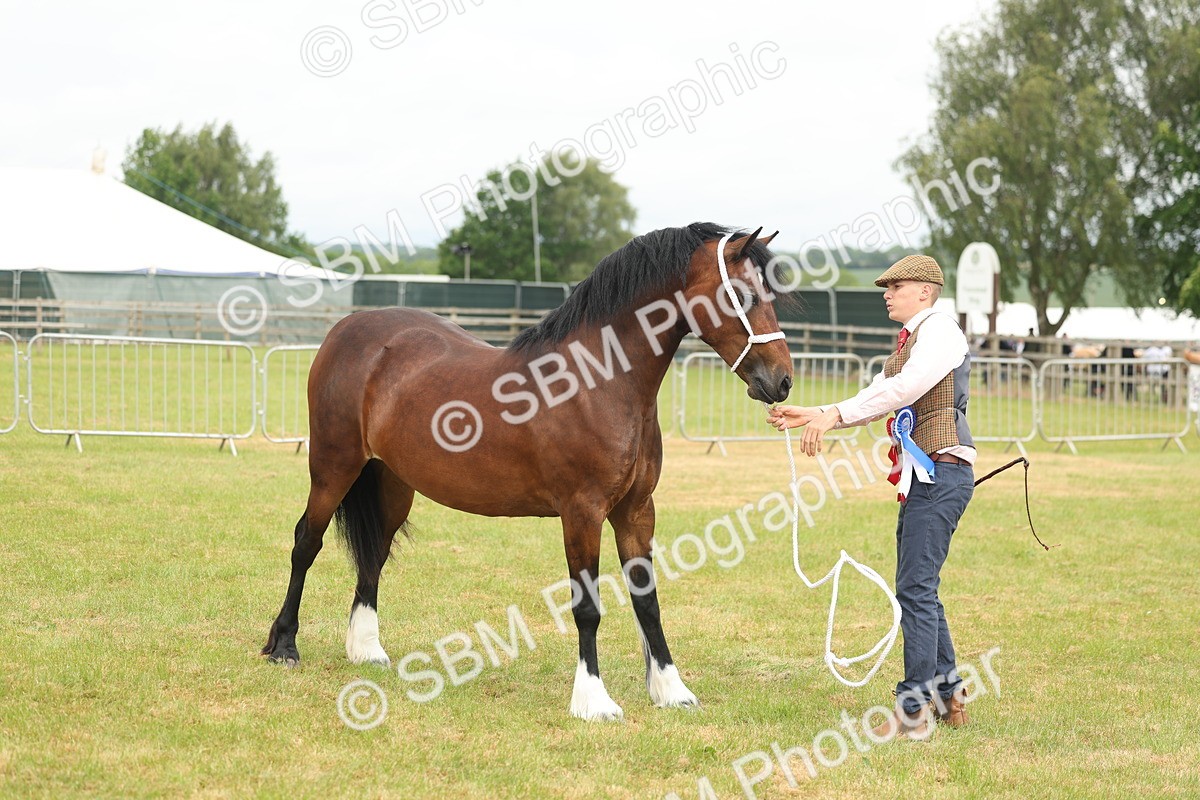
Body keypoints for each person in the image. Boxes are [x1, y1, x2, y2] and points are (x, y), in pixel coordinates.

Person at [767, 254, 975, 741]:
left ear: (924, 291)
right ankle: (950, 698)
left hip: (940, 474)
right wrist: (816, 411)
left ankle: (913, 712)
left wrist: (832, 417)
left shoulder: (940, 331)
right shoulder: (915, 338)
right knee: (920, 587)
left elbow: (905, 388)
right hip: (928, 476)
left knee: (916, 591)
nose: (886, 292)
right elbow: (877, 392)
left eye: (896, 285)